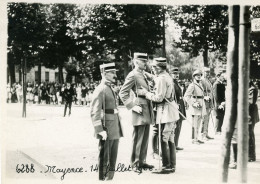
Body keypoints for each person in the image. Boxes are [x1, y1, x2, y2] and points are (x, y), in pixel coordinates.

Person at [140, 57, 178, 173]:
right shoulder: (166, 76)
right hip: (171, 111)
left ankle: (166, 166)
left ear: (158, 68)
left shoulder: (161, 79)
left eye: (153, 67)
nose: (152, 69)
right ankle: (172, 165)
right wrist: (145, 73)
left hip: (165, 111)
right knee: (170, 138)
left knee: (163, 139)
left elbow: (159, 98)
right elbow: (155, 79)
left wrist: (146, 94)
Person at [119, 52, 154, 173]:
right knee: (138, 137)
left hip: (146, 107)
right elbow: (123, 92)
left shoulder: (143, 74)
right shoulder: (133, 75)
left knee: (145, 136)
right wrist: (132, 106)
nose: (145, 63)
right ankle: (134, 163)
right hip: (139, 107)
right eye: (143, 61)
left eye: (146, 61)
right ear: (136, 62)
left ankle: (142, 161)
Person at [90, 62, 123, 180]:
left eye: (114, 72)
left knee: (113, 158)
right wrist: (100, 130)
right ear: (104, 73)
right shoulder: (101, 89)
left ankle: (109, 179)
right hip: (106, 128)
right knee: (105, 157)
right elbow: (95, 112)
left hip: (114, 127)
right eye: (112, 73)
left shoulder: (109, 88)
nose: (115, 75)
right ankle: (103, 179)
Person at [184, 69, 207, 145]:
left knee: (199, 123)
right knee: (195, 124)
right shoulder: (192, 85)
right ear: (194, 77)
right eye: (197, 75)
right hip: (195, 106)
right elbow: (186, 96)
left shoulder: (200, 84)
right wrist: (193, 103)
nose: (199, 77)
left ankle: (197, 138)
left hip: (201, 105)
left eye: (200, 75)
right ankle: (194, 139)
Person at [170, 67, 186, 150]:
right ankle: (173, 146)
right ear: (171, 74)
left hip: (180, 106)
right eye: (174, 74)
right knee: (175, 127)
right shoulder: (171, 83)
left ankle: (175, 145)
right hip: (175, 107)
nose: (176, 75)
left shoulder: (177, 83)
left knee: (179, 127)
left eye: (177, 74)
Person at [201, 67, 214, 140]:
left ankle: (206, 133)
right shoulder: (202, 80)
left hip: (209, 101)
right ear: (203, 72)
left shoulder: (208, 80)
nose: (208, 73)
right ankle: (203, 134)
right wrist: (204, 96)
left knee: (207, 118)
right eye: (206, 72)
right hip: (205, 101)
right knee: (204, 118)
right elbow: (200, 90)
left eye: (208, 72)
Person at [248, 81, 259, 162]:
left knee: (250, 133)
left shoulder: (252, 89)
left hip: (250, 114)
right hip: (249, 113)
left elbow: (250, 102)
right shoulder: (250, 88)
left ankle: (251, 155)